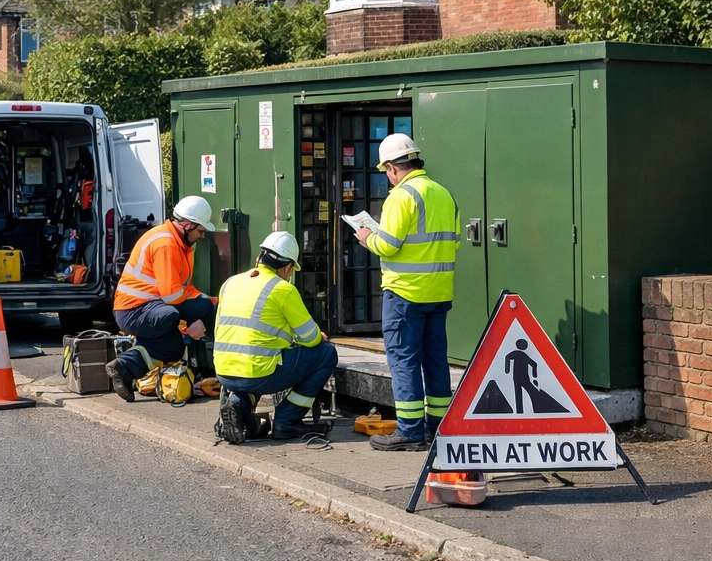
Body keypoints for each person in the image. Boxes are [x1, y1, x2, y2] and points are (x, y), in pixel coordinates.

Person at [353, 133, 460, 451]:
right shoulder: (443, 194)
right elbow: (451, 243)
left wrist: (365, 237)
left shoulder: (402, 196)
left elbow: (387, 244)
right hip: (438, 293)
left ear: (391, 167)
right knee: (436, 361)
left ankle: (411, 431)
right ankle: (439, 428)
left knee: (403, 361)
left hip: (404, 294)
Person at [213, 231, 338, 443]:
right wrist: (316, 336)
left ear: (258, 259)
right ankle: (287, 421)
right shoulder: (282, 288)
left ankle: (238, 404)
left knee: (254, 370)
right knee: (326, 353)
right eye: (291, 271)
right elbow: (310, 338)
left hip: (224, 371)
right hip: (260, 371)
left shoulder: (230, 283)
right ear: (287, 267)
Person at [104, 195, 219, 401]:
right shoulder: (166, 244)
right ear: (187, 225)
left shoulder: (178, 243)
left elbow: (185, 288)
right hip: (134, 311)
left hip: (149, 308)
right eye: (200, 231)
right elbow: (172, 295)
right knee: (171, 314)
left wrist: (207, 302)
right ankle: (203, 361)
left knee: (173, 346)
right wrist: (187, 326)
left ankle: (124, 367)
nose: (202, 236)